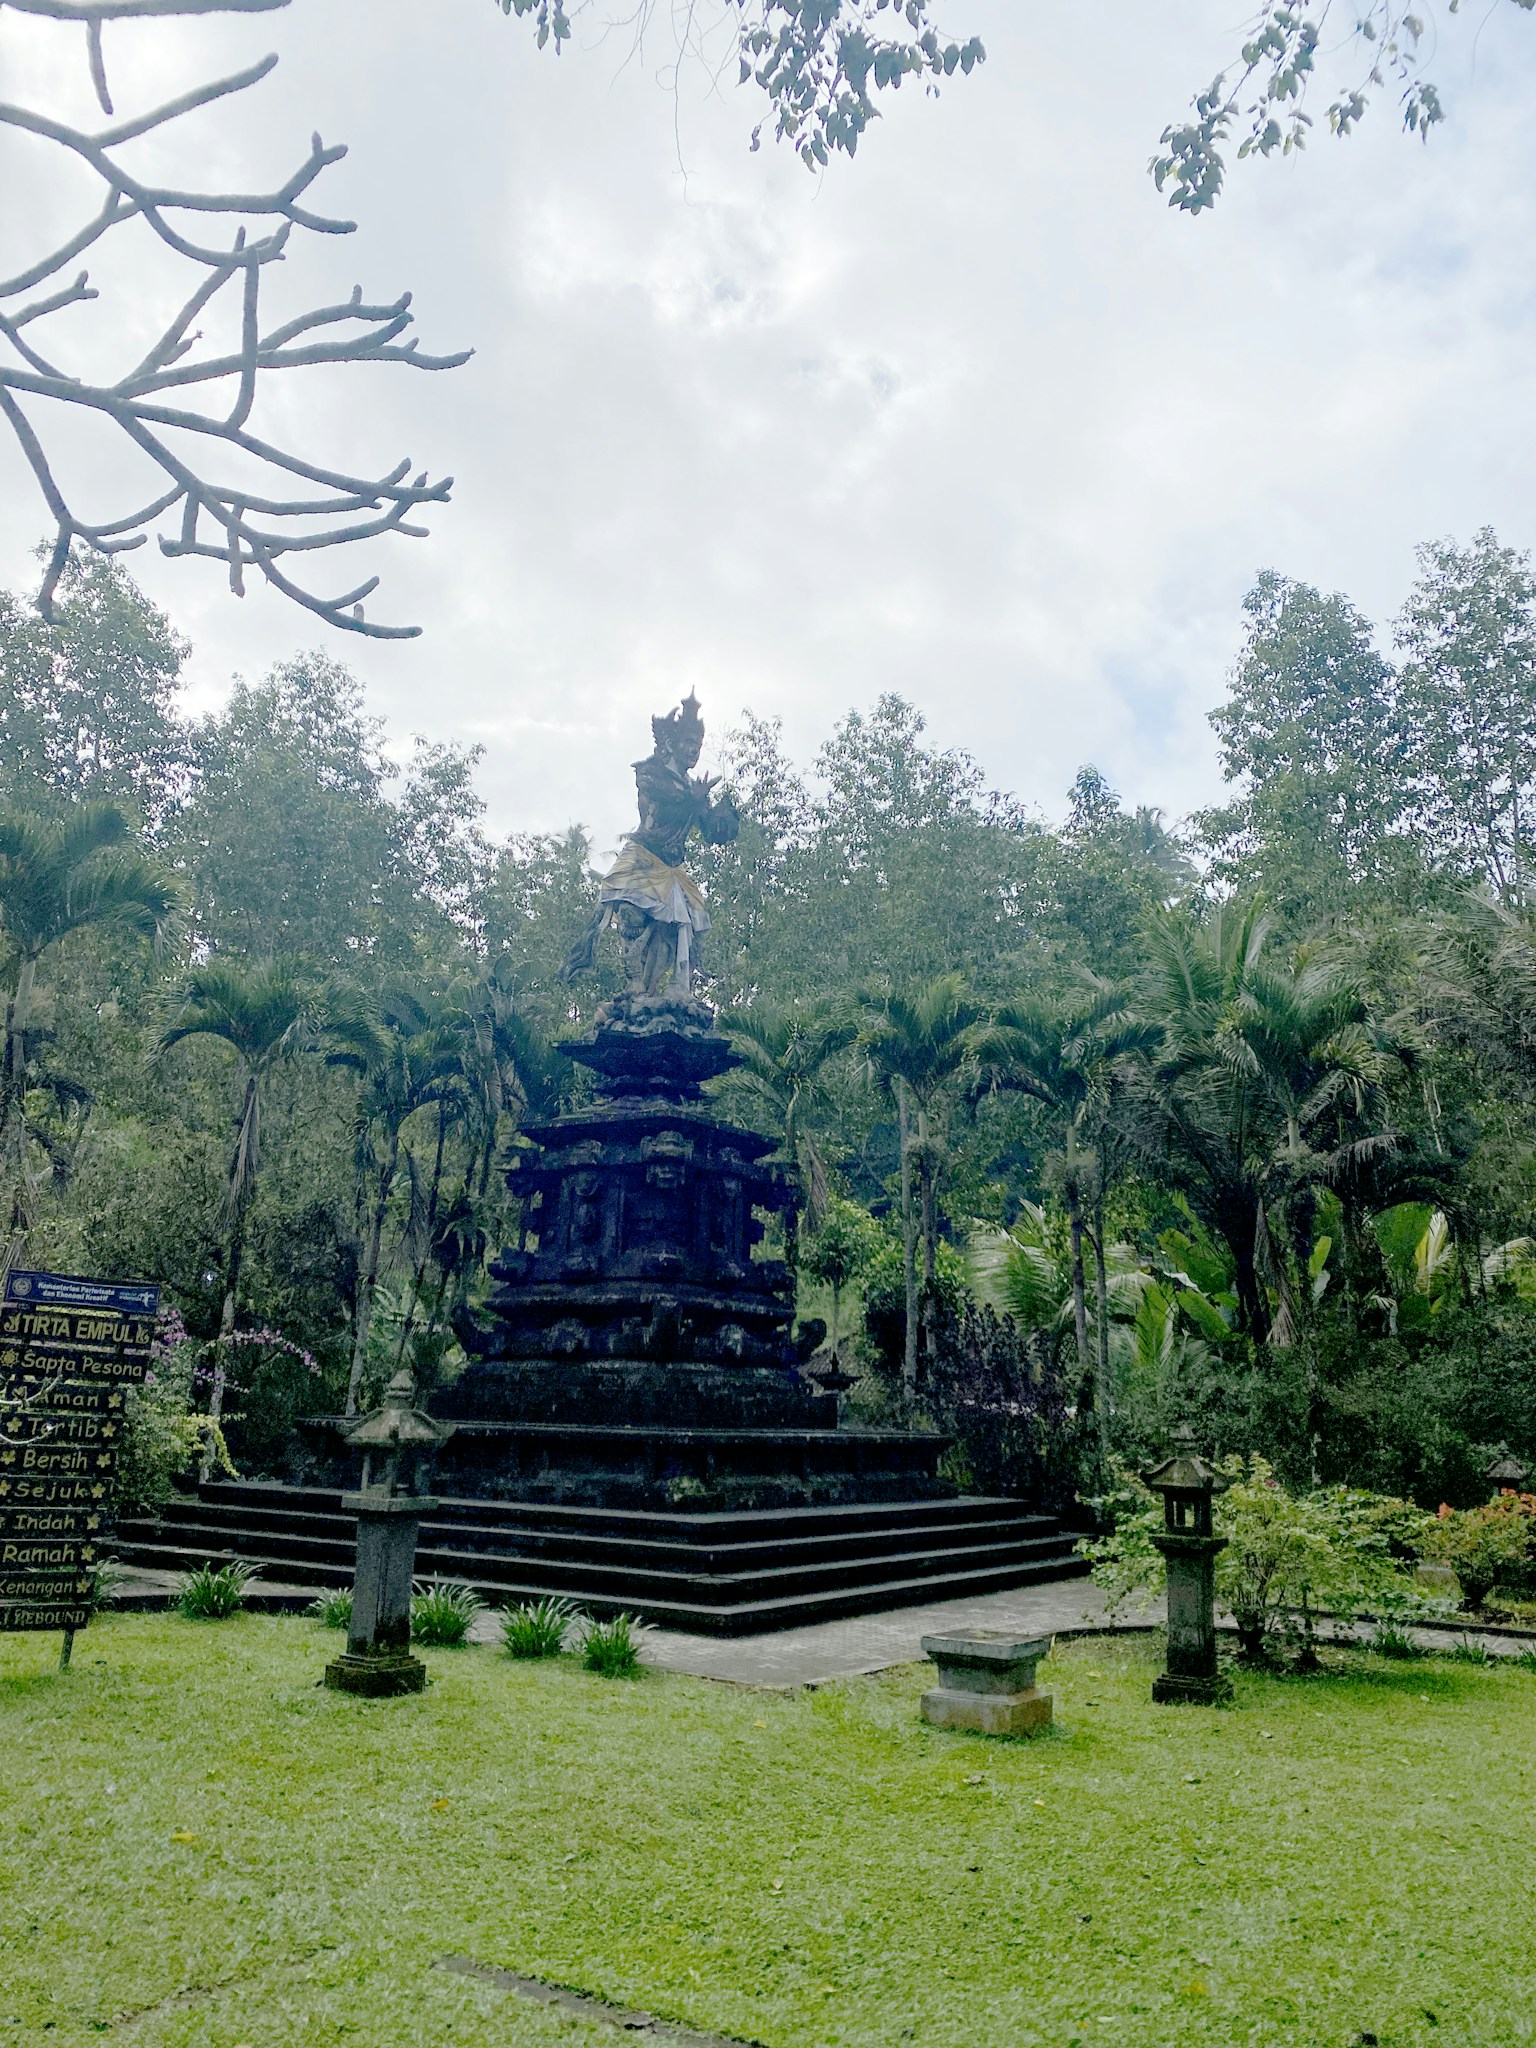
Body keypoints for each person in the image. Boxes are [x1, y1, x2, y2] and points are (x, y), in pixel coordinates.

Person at [562, 693, 739, 995]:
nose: (693, 750)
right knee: (631, 918)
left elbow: (711, 831)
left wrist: (725, 819)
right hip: (644, 857)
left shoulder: (692, 787)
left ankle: (664, 986)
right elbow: (657, 794)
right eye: (687, 744)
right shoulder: (651, 773)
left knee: (681, 927)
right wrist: (691, 799)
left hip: (672, 867)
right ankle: (634, 981)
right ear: (671, 744)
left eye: (697, 745)